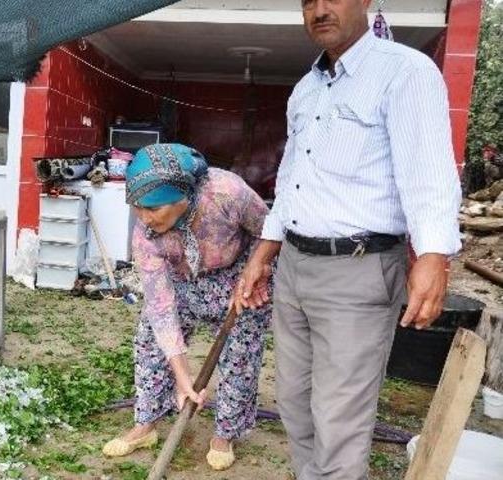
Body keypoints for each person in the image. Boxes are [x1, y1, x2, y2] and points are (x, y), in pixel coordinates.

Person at [234, 1, 461, 479]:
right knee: (294, 403)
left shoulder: (404, 72)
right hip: (295, 267)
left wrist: (434, 256)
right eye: (308, 1)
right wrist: (264, 252)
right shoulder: (307, 88)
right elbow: (292, 179)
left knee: (339, 420)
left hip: (359, 270)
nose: (319, 9)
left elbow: (428, 173)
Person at [102, 143, 272, 471]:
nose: (145, 218)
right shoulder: (146, 234)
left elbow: (269, 231)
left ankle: (225, 434)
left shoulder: (228, 194)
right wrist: (183, 377)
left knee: (240, 355)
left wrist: (259, 270)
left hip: (239, 277)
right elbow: (160, 305)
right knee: (151, 340)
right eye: (136, 207)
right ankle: (146, 424)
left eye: (153, 208)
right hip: (182, 280)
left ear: (183, 195)